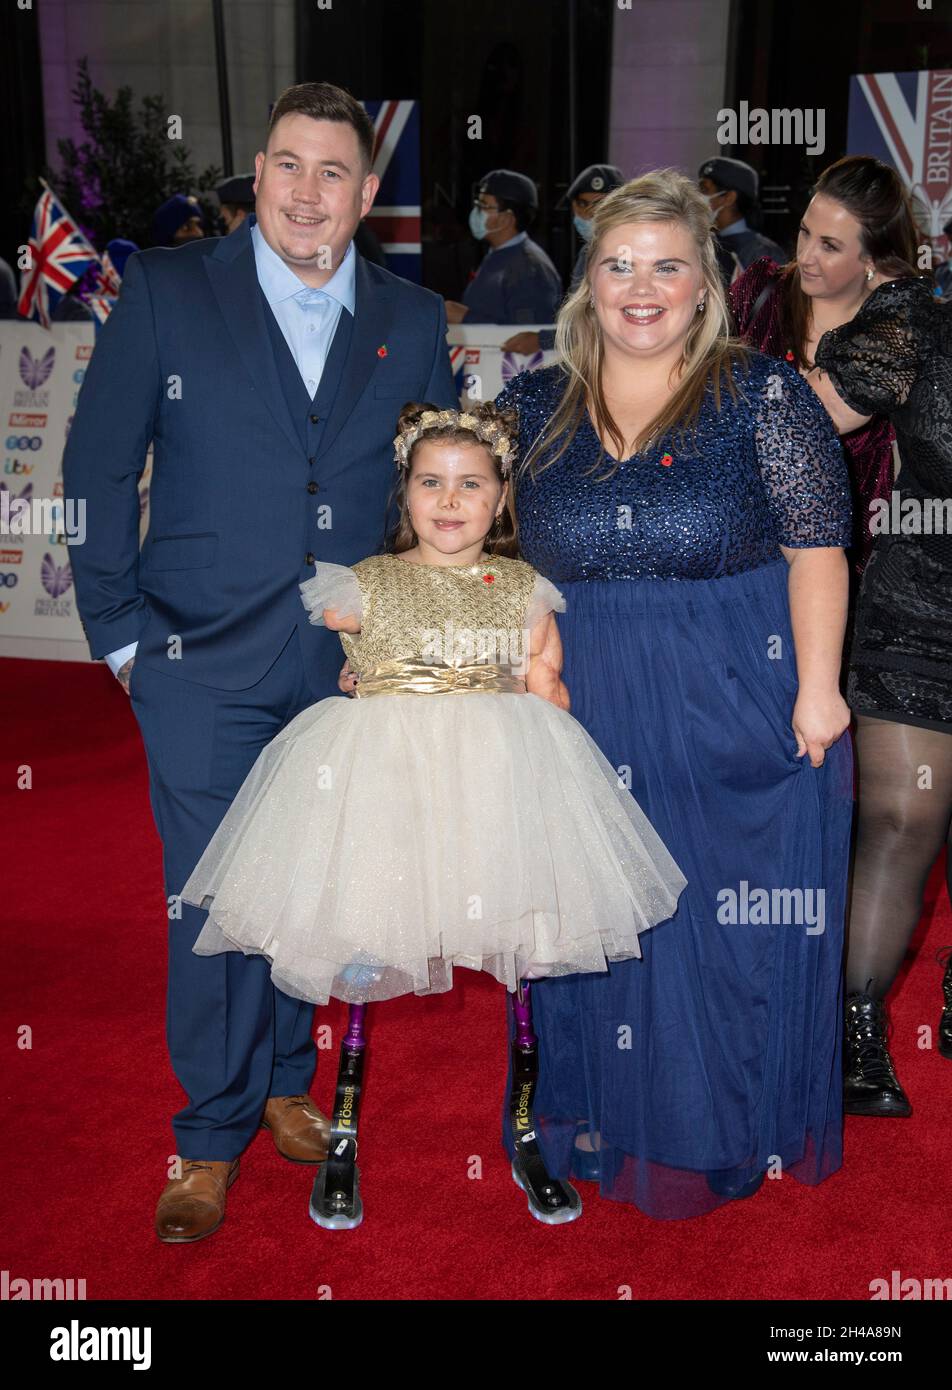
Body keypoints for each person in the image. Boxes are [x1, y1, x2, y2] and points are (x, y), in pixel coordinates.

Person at [62, 80, 458, 1245]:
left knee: (311, 892)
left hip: (339, 668)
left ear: (367, 195)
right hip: (194, 660)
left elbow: (428, 498)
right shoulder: (171, 292)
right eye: (287, 165)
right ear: (259, 172)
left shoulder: (415, 316)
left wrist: (404, 633)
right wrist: (123, 637)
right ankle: (206, 1133)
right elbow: (92, 472)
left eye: (333, 172)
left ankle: (288, 1080)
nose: (306, 192)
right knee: (213, 901)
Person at [180, 401, 686, 1225]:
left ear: (500, 500)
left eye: (471, 485)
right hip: (382, 786)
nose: (449, 502)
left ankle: (523, 1131)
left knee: (519, 962)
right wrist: (362, 682)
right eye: (430, 483)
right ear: (405, 492)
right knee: (359, 958)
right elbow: (337, 660)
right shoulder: (358, 585)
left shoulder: (523, 587)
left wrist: (552, 792)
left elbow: (546, 685)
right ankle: (342, 1132)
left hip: (498, 781)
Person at [494, 168, 854, 1219]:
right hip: (579, 690)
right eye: (618, 266)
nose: (640, 289)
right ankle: (606, 1116)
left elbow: (817, 547)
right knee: (595, 920)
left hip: (732, 681)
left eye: (666, 267)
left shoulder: (761, 392)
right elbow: (483, 550)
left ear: (706, 284)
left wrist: (821, 690)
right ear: (586, 282)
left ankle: (719, 1123)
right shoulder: (530, 401)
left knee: (716, 917)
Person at [811, 252, 952, 1115]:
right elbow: (797, 418)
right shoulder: (917, 322)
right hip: (919, 607)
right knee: (903, 815)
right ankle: (854, 1034)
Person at [728, 156, 921, 579]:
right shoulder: (760, 292)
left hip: (851, 555)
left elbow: (813, 414)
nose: (807, 256)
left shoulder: (894, 331)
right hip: (741, 541)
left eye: (830, 245)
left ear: (873, 256)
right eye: (804, 232)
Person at [503, 163, 624, 357]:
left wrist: (542, 340)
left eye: (600, 204)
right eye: (583, 204)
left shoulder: (624, 254)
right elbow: (580, 318)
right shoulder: (588, 251)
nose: (590, 213)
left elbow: (603, 324)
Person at [445, 170, 562, 326]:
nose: (476, 212)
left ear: (506, 219)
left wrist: (465, 318)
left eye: (483, 206)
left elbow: (526, 337)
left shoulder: (529, 269)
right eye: (477, 204)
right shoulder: (498, 254)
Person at [698, 156, 787, 281]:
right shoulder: (703, 242)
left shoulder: (763, 253)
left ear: (729, 197)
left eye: (704, 189)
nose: (697, 196)